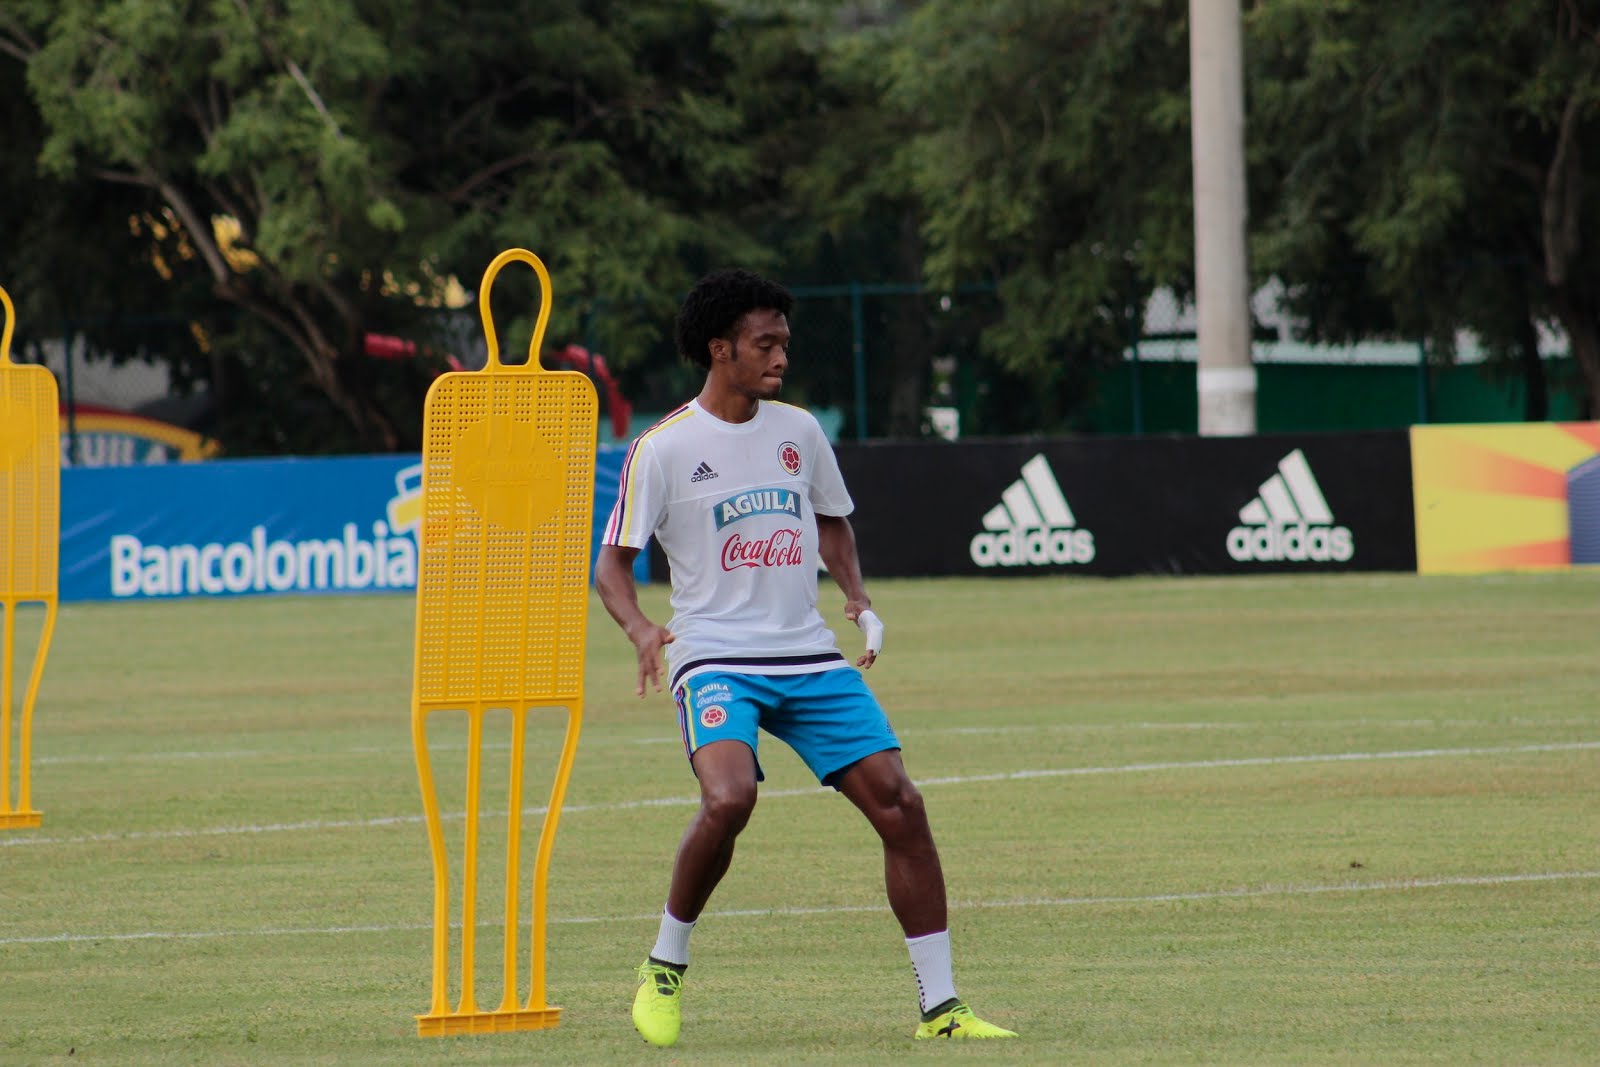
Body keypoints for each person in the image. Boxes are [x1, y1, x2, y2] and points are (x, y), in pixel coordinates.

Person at [594, 268, 1017, 1047]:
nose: (781, 357)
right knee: (730, 799)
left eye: (785, 342)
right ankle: (664, 963)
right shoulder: (663, 448)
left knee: (901, 803)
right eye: (765, 343)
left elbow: (831, 522)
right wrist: (642, 629)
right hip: (715, 657)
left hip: (807, 656)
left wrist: (857, 597)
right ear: (719, 349)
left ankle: (943, 1009)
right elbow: (610, 565)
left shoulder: (801, 431)